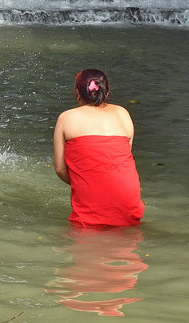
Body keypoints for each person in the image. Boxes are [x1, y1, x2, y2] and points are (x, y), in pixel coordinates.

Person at [52, 69, 145, 227]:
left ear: (78, 92)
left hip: (91, 195)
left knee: (85, 240)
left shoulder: (66, 118)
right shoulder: (123, 113)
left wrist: (85, 183)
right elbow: (120, 160)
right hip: (129, 197)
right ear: (106, 92)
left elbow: (60, 169)